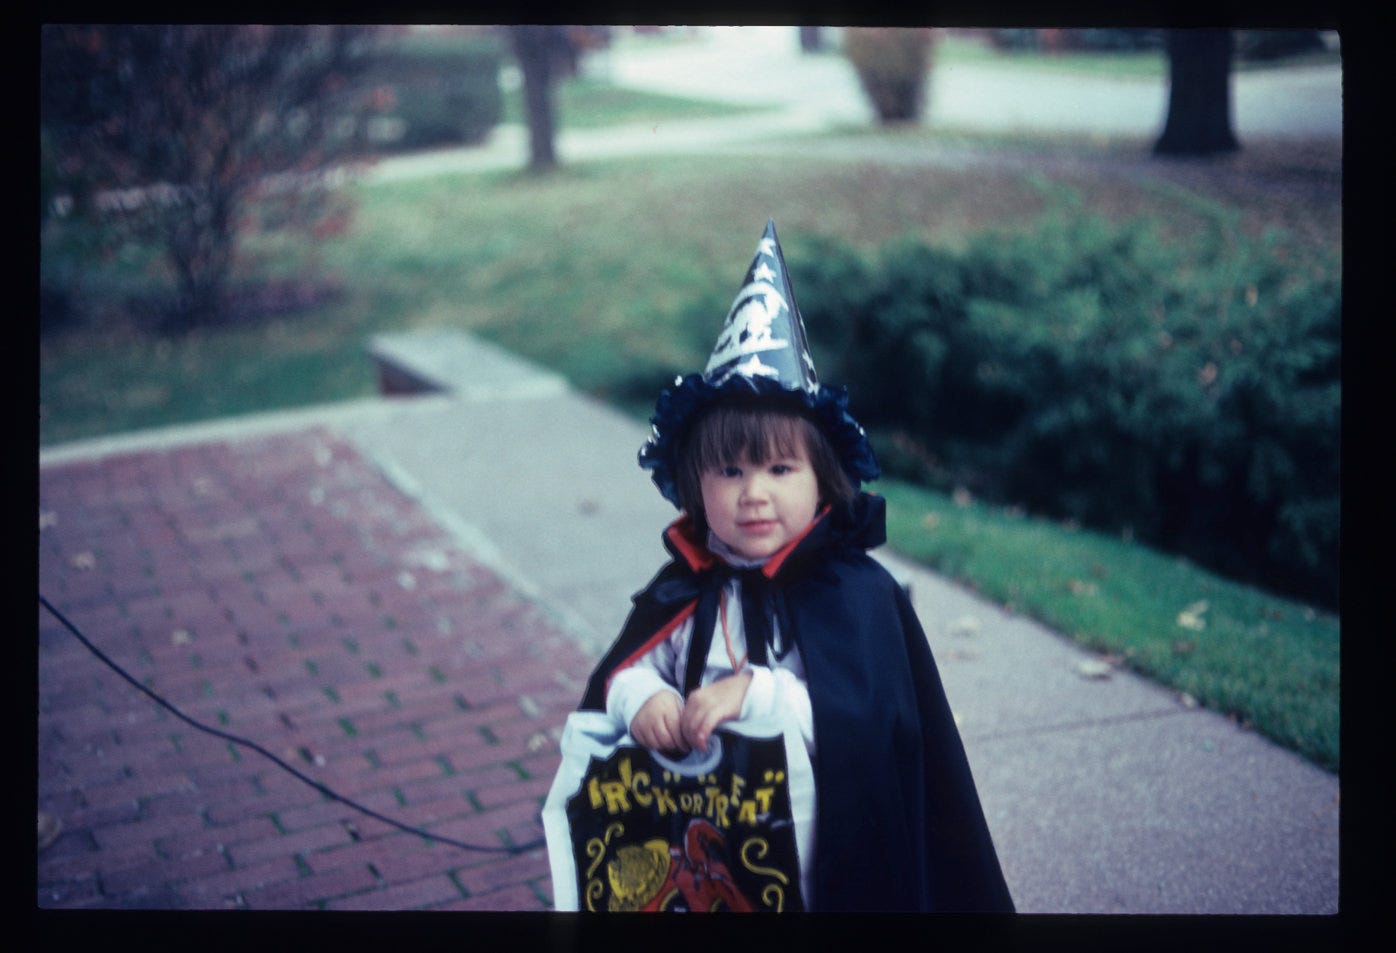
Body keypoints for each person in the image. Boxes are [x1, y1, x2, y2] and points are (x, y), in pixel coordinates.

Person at [577, 219, 1014, 913]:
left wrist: (755, 695)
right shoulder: (686, 590)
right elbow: (627, 672)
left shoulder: (856, 595)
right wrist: (641, 700)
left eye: (780, 468)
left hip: (824, 861)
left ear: (822, 482)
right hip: (708, 847)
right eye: (730, 471)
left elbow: (866, 727)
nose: (754, 493)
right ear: (695, 487)